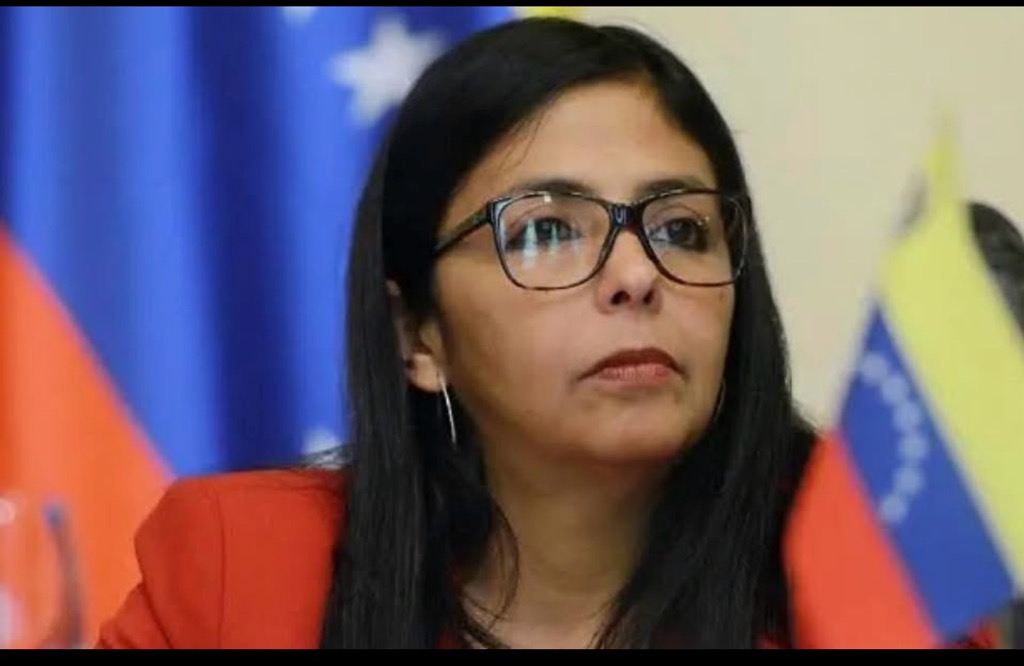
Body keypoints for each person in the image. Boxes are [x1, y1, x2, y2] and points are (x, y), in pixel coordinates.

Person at [95, 16, 991, 649]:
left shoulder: (876, 588)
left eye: (681, 228)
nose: (637, 274)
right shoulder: (241, 578)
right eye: (546, 230)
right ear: (418, 335)